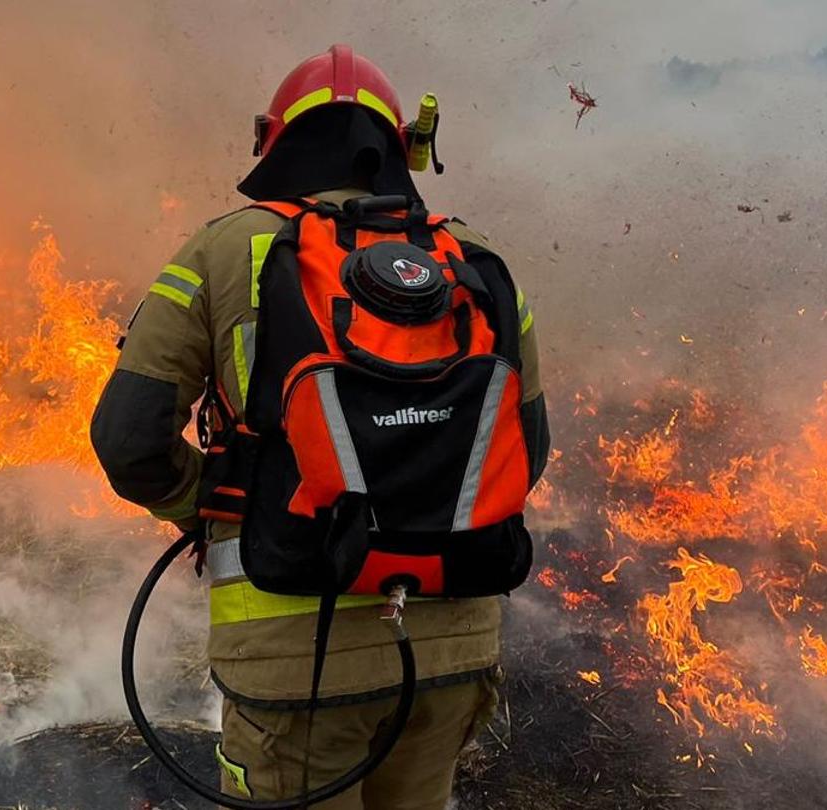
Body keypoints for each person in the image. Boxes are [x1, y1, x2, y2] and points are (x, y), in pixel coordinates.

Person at [92, 46, 550, 808]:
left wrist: (216, 508)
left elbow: (131, 438)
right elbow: (524, 452)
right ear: (403, 147)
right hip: (453, 647)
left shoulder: (224, 250)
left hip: (292, 658)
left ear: (275, 143)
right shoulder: (476, 259)